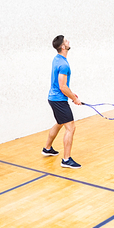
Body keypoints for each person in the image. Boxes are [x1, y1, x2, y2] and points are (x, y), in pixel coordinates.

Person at [42, 35, 82, 169]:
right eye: (66, 41)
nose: (68, 41)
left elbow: (63, 86)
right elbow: (62, 86)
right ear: (63, 47)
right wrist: (74, 98)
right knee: (70, 127)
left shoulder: (57, 59)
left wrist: (71, 94)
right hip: (59, 100)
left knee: (60, 123)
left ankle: (47, 148)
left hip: (53, 98)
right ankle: (66, 159)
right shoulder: (63, 64)